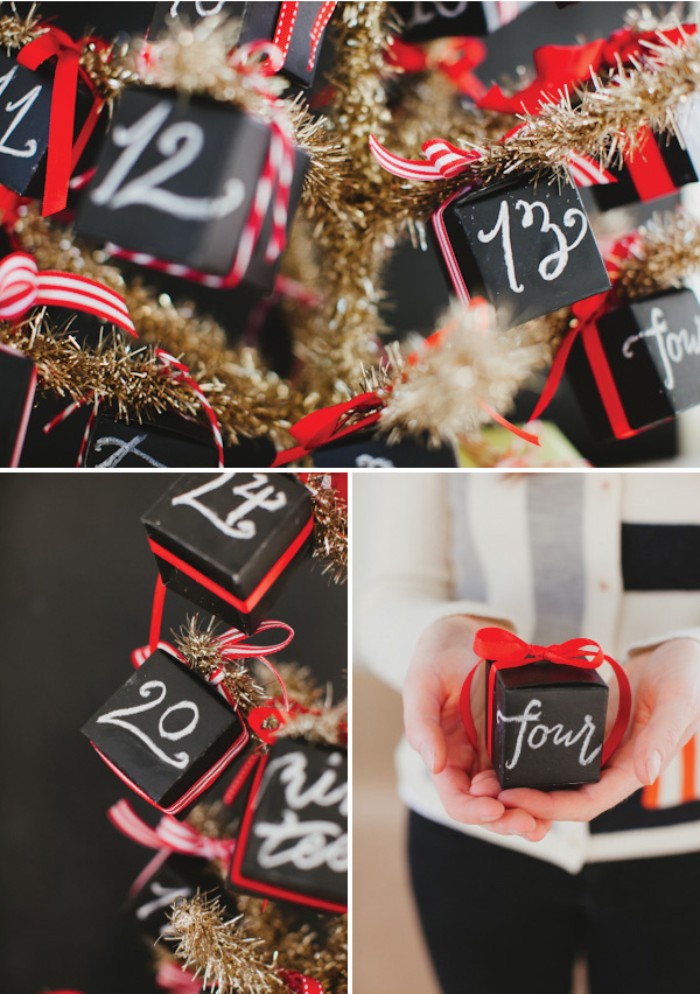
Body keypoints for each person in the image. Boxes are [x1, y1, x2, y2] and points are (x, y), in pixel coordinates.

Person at [355, 472, 700, 994]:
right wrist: (439, 637)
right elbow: (389, 586)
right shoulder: (444, 398)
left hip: (684, 835)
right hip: (470, 825)